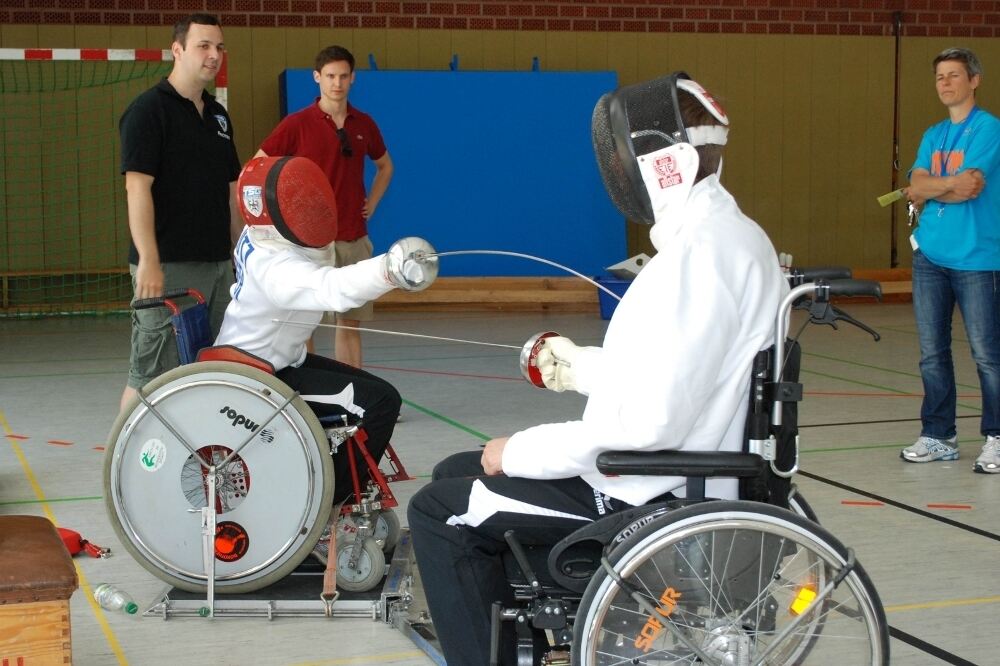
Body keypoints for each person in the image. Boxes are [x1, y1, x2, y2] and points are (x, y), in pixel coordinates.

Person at [407, 73, 788, 665]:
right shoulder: (730, 238)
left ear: (667, 163)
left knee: (440, 510)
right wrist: (578, 367)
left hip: (650, 493)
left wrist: (521, 452)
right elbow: (678, 371)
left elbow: (650, 423)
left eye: (626, 154)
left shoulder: (698, 259)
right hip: (680, 471)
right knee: (456, 468)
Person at [215, 155, 435, 560]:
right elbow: (332, 291)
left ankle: (341, 489)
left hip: (280, 360)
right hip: (260, 376)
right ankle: (326, 510)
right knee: (379, 403)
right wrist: (389, 270)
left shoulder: (260, 236)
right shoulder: (275, 265)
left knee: (380, 392)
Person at [118, 13, 242, 412]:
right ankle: (123, 471)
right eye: (203, 46)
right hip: (169, 269)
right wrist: (151, 261)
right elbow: (136, 188)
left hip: (219, 267)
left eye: (219, 47)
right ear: (177, 50)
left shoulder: (219, 116)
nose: (213, 55)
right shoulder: (148, 111)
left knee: (214, 369)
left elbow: (231, 190)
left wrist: (239, 256)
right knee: (151, 379)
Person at [255, 45, 393, 369]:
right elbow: (258, 165)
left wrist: (371, 202)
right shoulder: (297, 124)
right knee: (305, 325)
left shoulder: (365, 124)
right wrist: (283, 211)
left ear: (353, 78)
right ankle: (313, 398)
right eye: (330, 76)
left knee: (349, 322)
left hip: (351, 236)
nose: (337, 83)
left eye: (344, 76)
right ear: (317, 77)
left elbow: (386, 166)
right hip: (307, 243)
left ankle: (353, 397)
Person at [901, 47, 1000, 474]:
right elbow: (916, 184)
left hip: (977, 258)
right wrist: (945, 184)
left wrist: (931, 185)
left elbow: (972, 186)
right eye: (940, 75)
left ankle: (996, 437)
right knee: (932, 353)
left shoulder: (988, 129)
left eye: (954, 75)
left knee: (986, 354)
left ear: (973, 80)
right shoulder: (933, 134)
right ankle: (939, 435)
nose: (945, 82)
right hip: (931, 256)